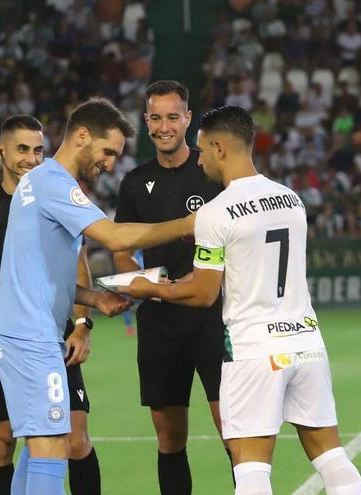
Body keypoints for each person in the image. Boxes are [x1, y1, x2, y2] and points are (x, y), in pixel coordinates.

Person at [119, 106, 361, 495]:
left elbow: (202, 293)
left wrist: (149, 288)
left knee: (250, 467)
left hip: (254, 350)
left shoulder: (214, 214)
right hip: (306, 342)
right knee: (331, 456)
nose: (199, 161)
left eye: (201, 151)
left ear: (219, 148)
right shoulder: (291, 199)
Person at [0, 97, 198, 495]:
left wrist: (93, 296)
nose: (110, 163)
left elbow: (40, 271)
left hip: (25, 332)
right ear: (82, 136)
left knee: (38, 445)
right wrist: (186, 224)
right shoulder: (53, 183)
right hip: (30, 338)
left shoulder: (39, 182)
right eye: (108, 152)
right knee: (52, 445)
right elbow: (116, 237)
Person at [0, 115, 100, 495]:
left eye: (38, 150)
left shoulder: (62, 195)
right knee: (0, 443)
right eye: (22, 149)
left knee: (75, 439)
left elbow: (80, 268)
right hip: (1, 334)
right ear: (1, 151)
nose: (31, 159)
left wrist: (82, 325)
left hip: (53, 333)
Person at [112, 80, 228, 494]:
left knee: (232, 430)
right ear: (146, 122)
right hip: (160, 322)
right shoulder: (134, 183)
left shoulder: (213, 171)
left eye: (173, 117)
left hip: (213, 318)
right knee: (170, 438)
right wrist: (136, 277)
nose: (165, 126)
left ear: (188, 119)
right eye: (156, 118)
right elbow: (122, 247)